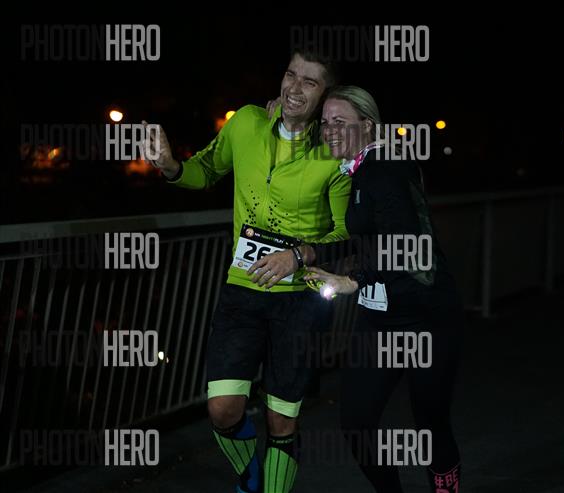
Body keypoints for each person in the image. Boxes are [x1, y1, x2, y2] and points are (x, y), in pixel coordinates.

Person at [144, 50, 351, 493]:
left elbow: (344, 234)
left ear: (326, 94)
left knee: (281, 421)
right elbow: (205, 170)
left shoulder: (333, 153)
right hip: (242, 290)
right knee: (222, 409)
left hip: (300, 299)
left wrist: (298, 256)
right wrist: (171, 166)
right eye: (291, 74)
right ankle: (250, 476)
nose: (294, 88)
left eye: (310, 82)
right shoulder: (246, 123)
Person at [250, 86, 463, 493]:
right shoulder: (358, 169)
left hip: (425, 317)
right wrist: (303, 255)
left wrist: (352, 280)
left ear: (367, 125)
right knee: (357, 422)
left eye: (340, 122)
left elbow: (404, 241)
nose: (329, 130)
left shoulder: (386, 166)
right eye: (325, 122)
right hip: (379, 319)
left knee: (431, 423)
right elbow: (362, 238)